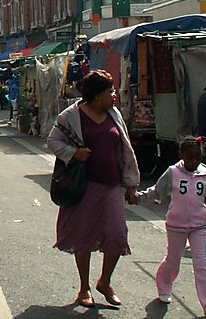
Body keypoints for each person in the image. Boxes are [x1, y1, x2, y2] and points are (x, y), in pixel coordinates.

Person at [46, 70, 140, 308]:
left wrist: (131, 184)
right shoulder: (71, 116)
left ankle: (105, 282)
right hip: (84, 186)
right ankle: (84, 287)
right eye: (110, 92)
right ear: (97, 96)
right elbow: (53, 140)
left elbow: (126, 150)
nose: (114, 95)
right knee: (83, 237)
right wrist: (74, 153)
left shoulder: (114, 114)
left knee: (117, 235)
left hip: (111, 185)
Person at [135, 136, 206, 318]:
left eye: (197, 158)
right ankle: (164, 285)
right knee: (173, 260)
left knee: (203, 263)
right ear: (181, 155)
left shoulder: (205, 175)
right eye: (189, 158)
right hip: (176, 225)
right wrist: (139, 197)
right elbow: (156, 192)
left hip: (199, 226)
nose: (193, 162)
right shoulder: (172, 172)